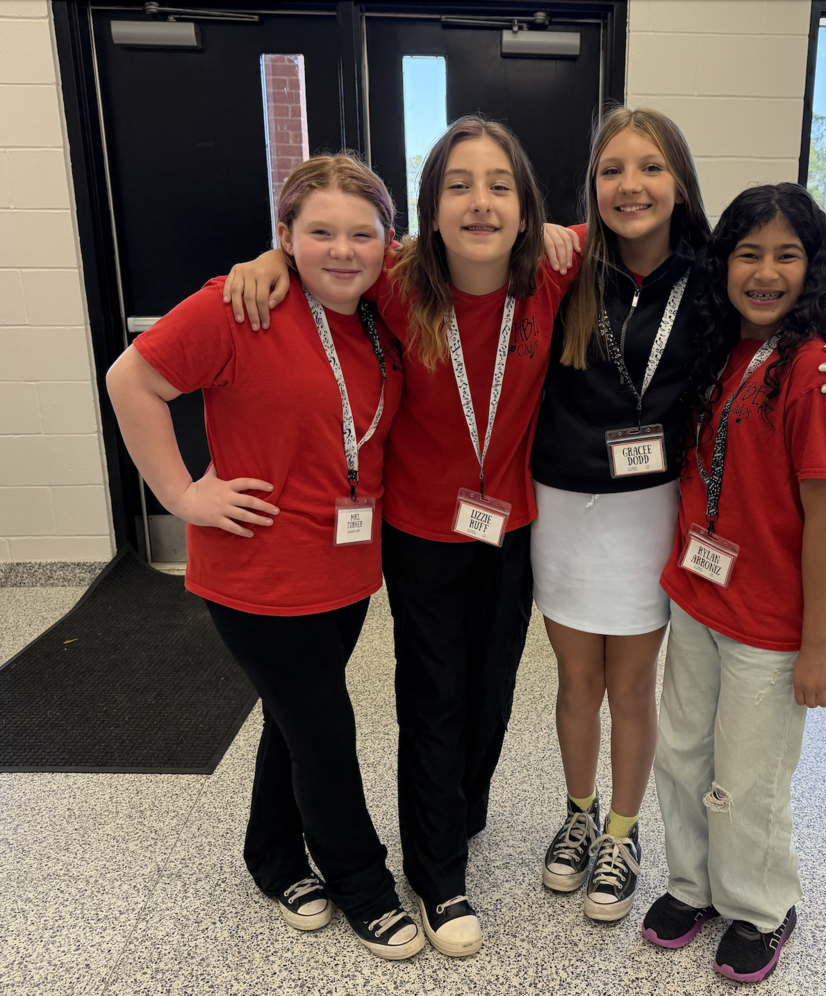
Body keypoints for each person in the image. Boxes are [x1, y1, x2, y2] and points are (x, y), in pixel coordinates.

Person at [221, 116, 580, 957]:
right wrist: (268, 258)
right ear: (428, 209)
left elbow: (668, 245)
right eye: (458, 185)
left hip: (512, 530)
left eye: (499, 185)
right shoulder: (396, 276)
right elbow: (322, 248)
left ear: (526, 207)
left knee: (491, 695)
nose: (480, 202)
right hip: (420, 533)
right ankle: (437, 874)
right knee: (434, 697)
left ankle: (457, 810)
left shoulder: (553, 269)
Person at [530, 107, 826, 923]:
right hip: (588, 521)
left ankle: (649, 851)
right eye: (613, 169)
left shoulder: (712, 279)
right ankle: (611, 836)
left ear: (682, 184)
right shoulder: (568, 262)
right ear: (592, 185)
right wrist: (279, 253)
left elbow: (796, 342)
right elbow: (436, 257)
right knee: (610, 703)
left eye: (651, 167)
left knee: (659, 708)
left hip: (668, 527)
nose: (632, 185)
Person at [105, 154, 424, 960]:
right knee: (325, 728)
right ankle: (361, 882)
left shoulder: (380, 314)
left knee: (294, 720)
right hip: (257, 571)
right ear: (285, 235)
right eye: (319, 233)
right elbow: (130, 381)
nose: (342, 250)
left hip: (345, 568)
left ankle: (273, 856)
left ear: (389, 243)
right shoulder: (238, 305)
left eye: (362, 234)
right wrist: (180, 495)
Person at [642, 182, 826, 983]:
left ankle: (760, 907)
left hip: (770, 626)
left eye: (786, 255)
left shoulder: (816, 373)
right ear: (723, 264)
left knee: (749, 780)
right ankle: (693, 886)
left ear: (814, 268)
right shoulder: (717, 350)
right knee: (682, 757)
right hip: (698, 599)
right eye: (748, 254)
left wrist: (819, 646)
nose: (766, 272)